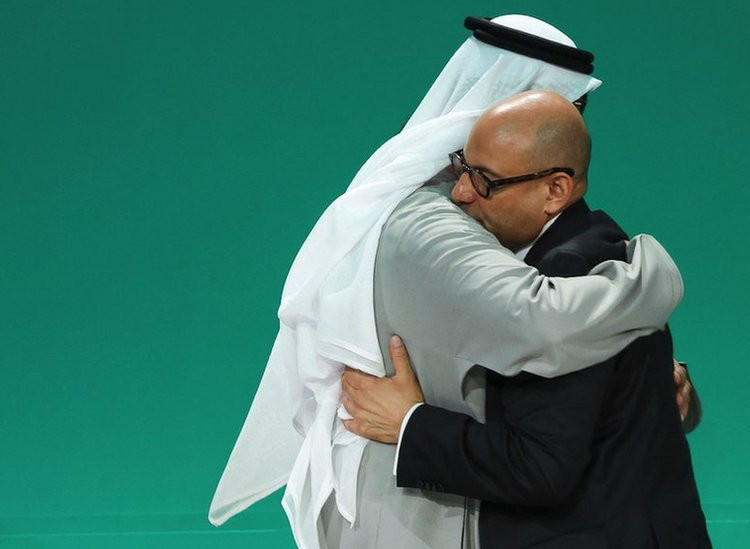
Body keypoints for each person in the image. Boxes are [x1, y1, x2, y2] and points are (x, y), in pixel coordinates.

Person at [210, 15, 688, 549]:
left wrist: (644, 381)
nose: (465, 190)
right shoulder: (429, 221)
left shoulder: (493, 220)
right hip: (407, 510)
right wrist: (653, 278)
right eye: (566, 104)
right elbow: (540, 320)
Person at [343, 91, 711, 548]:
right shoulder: (594, 244)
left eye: (485, 181)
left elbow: (539, 469)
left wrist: (409, 424)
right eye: (463, 167)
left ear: (554, 190)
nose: (460, 193)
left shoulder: (566, 274)